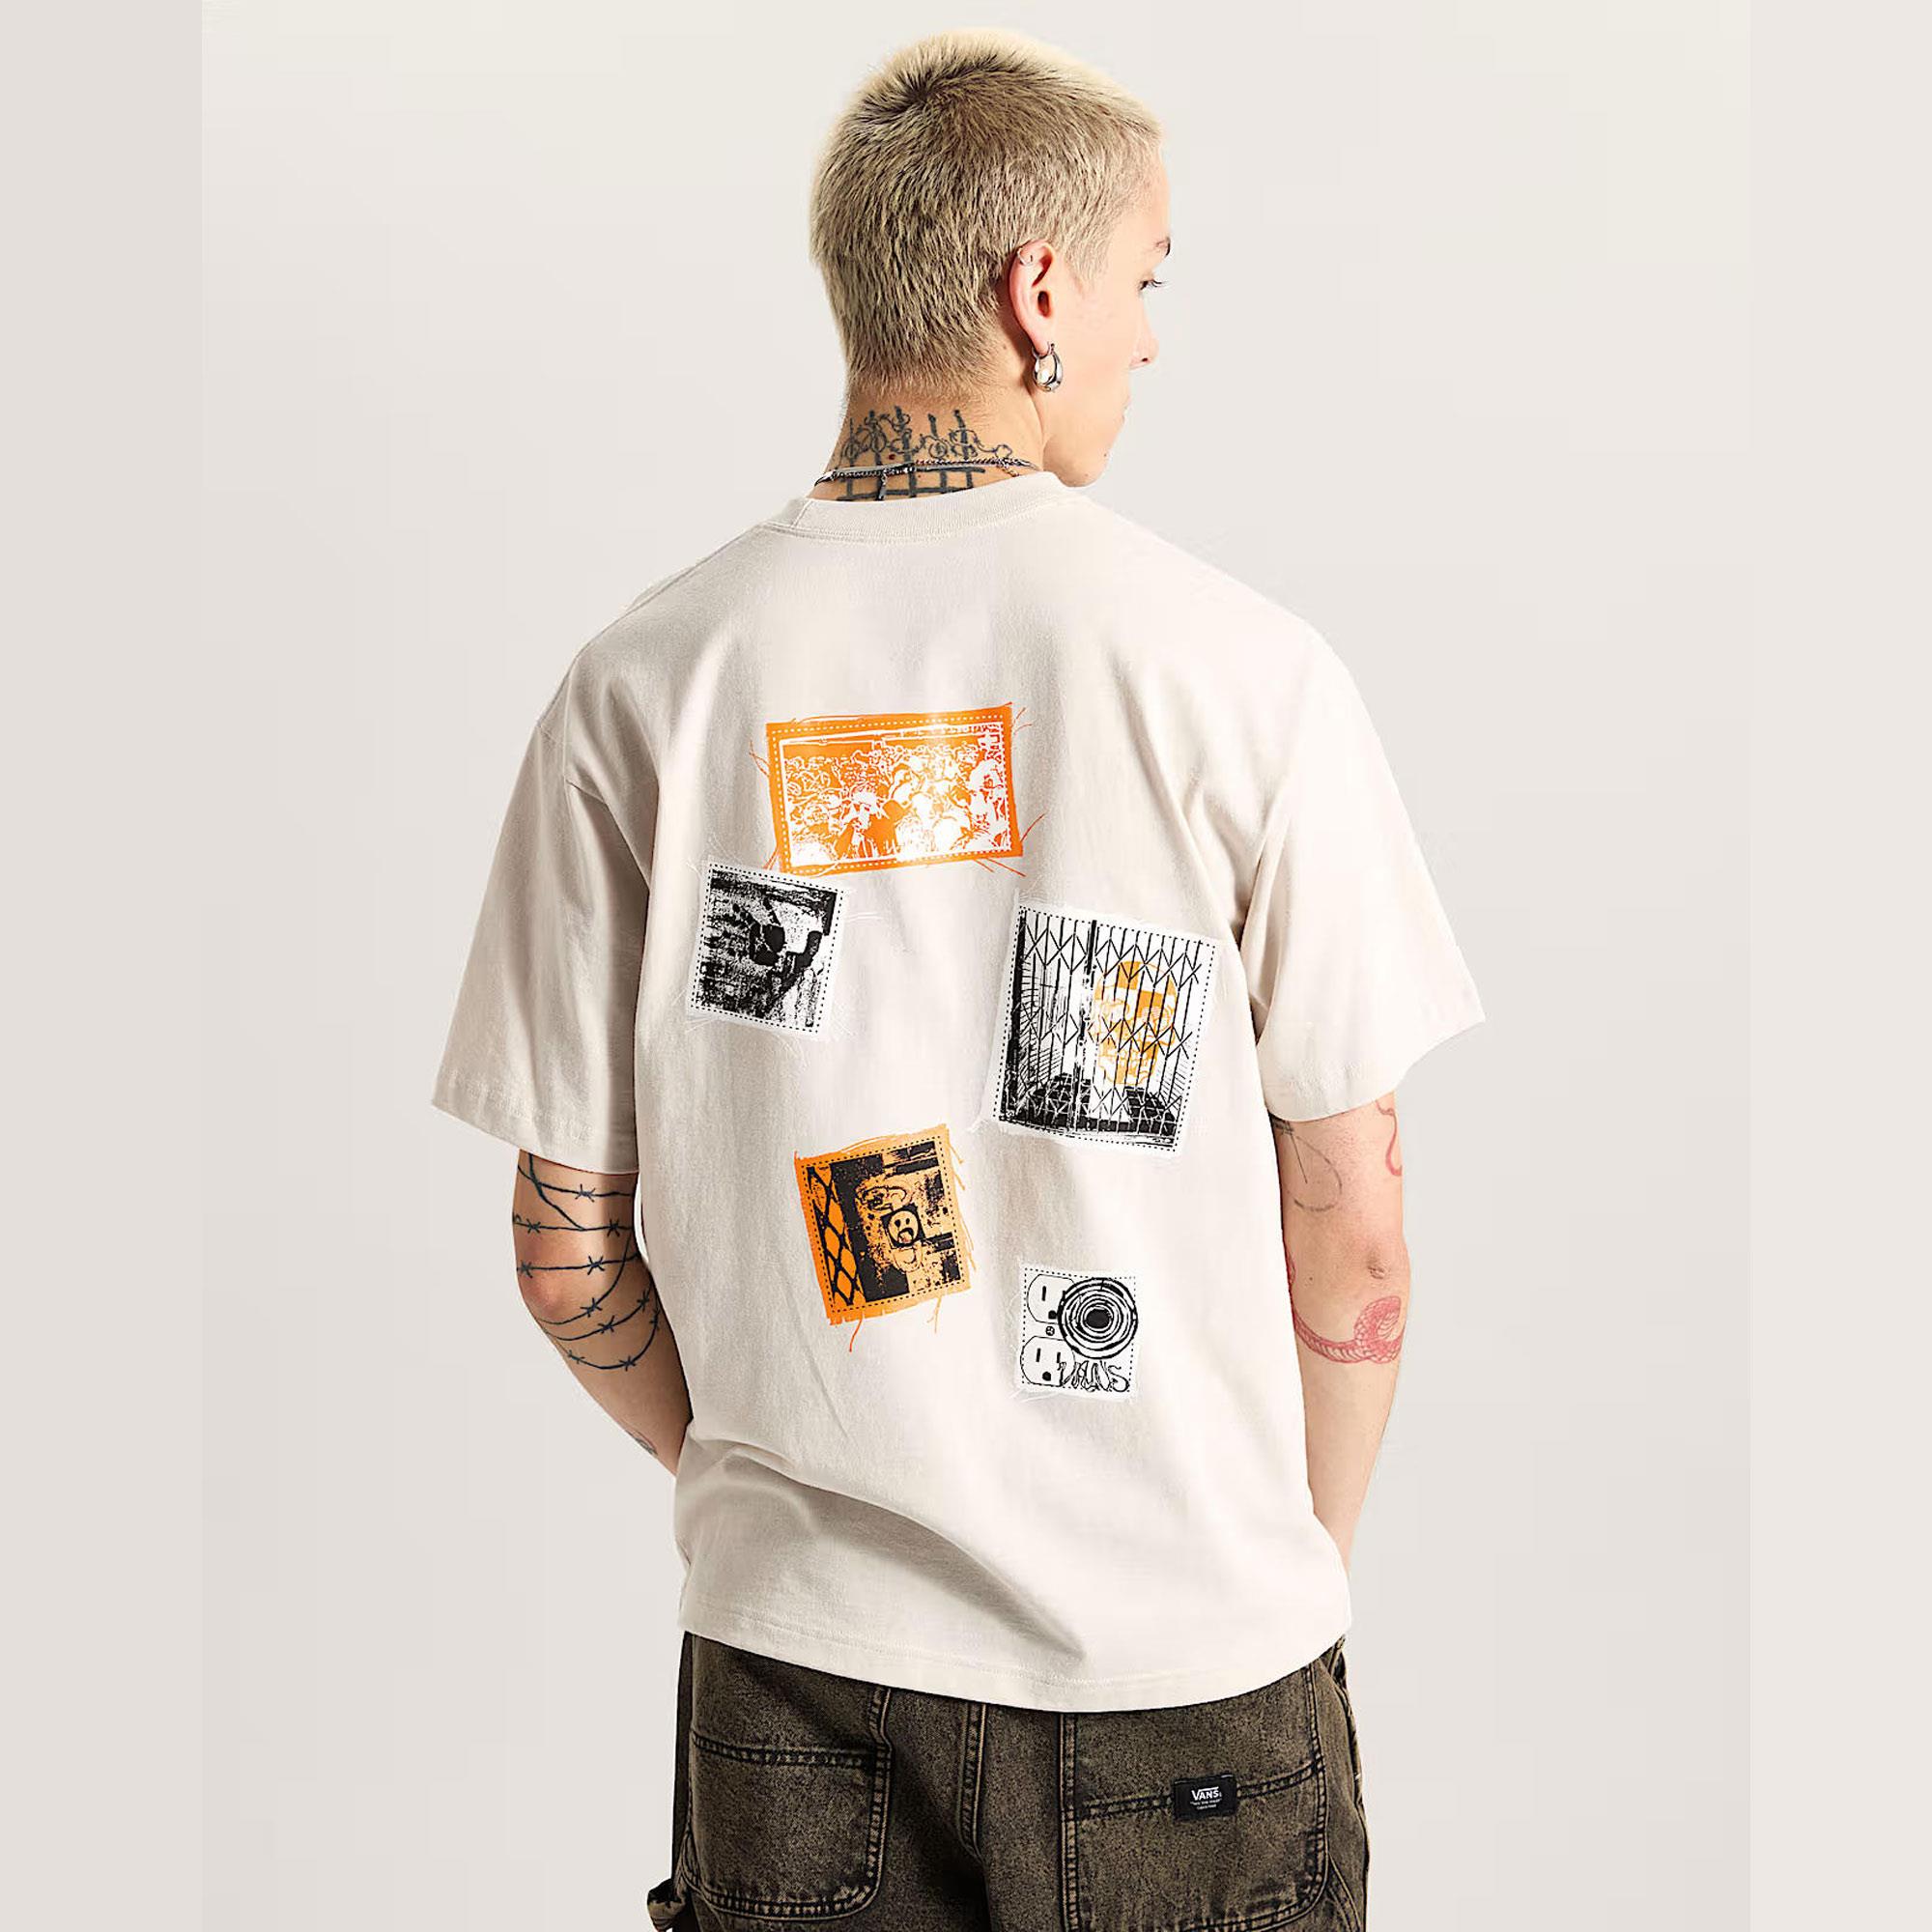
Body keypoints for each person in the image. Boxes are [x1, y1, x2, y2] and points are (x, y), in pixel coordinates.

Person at [431, 28, 1482, 1928]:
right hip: (1191, 1665)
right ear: (1038, 294)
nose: (1153, 338)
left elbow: (563, 1253)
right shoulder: (1242, 674)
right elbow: (1357, 1246)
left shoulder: (645, 684)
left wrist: (796, 1486)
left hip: (796, 1666)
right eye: (1147, 278)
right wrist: (1279, 1579)